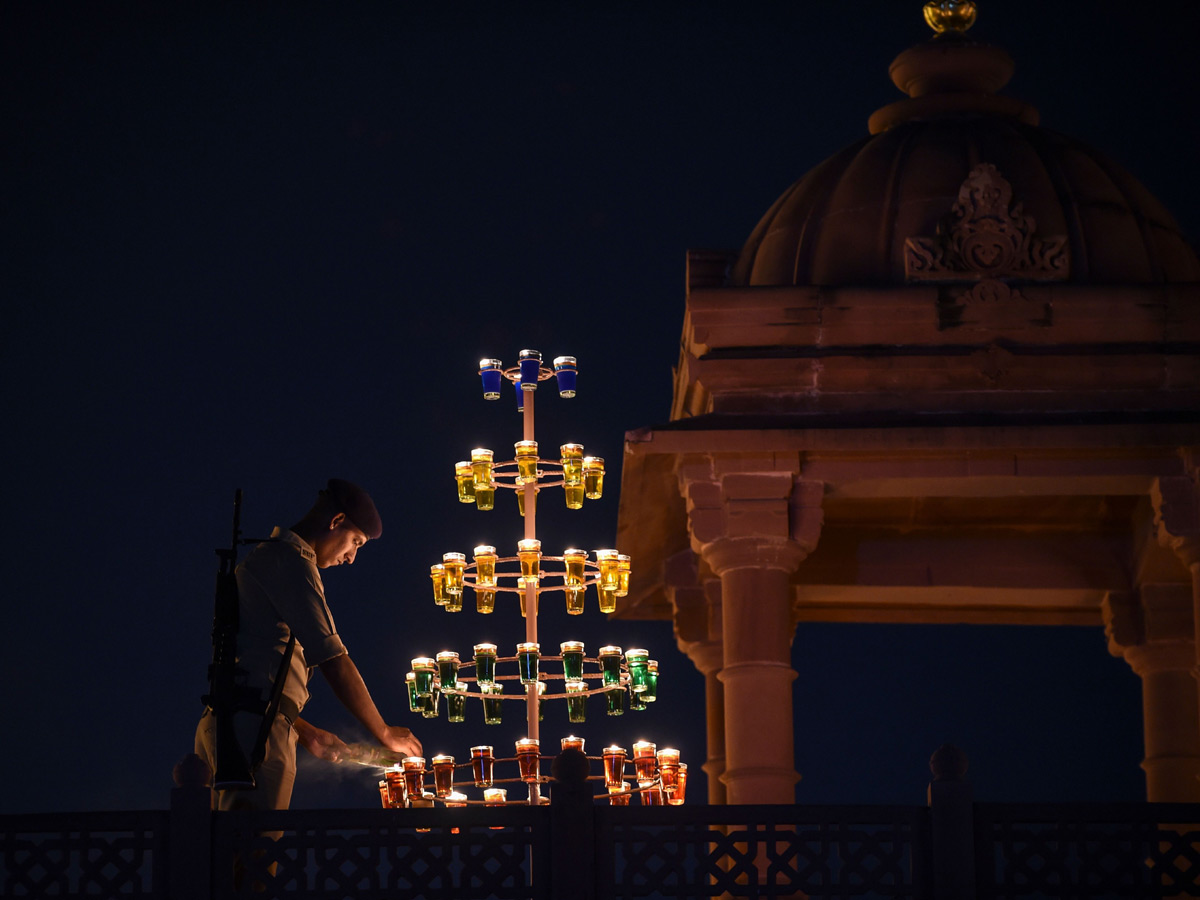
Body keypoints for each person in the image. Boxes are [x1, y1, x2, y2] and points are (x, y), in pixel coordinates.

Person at [196, 478, 421, 810]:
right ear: (336, 522)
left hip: (240, 725)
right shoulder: (291, 562)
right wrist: (385, 733)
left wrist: (304, 731)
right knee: (251, 854)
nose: (351, 557)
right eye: (355, 542)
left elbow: (255, 671)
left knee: (221, 853)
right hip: (255, 737)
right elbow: (333, 658)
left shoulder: (271, 559)